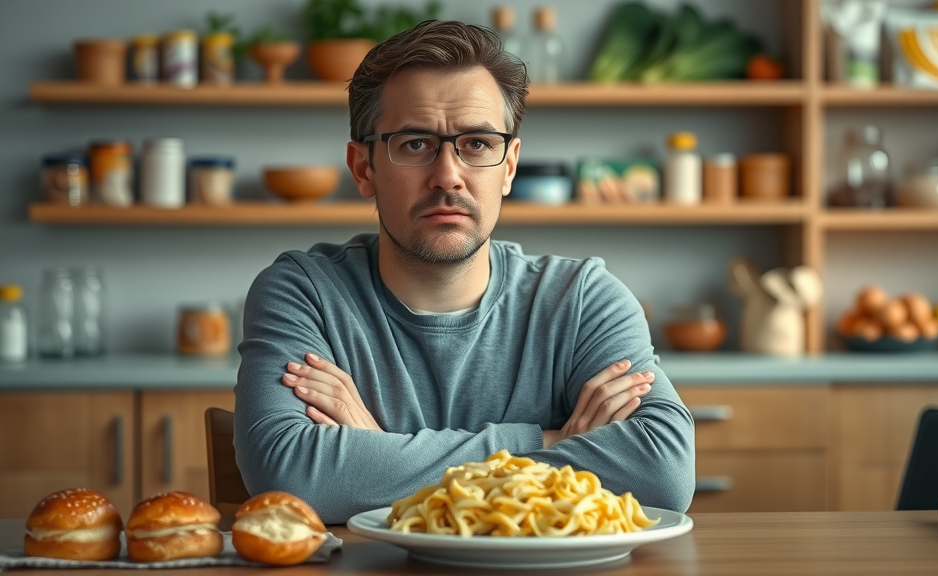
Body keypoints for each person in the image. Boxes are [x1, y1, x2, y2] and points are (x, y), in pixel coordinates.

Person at [235, 19, 695, 524]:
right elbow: (289, 476)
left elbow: (662, 470)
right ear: (364, 167)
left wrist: (379, 451)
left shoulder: (583, 299)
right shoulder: (303, 294)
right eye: (414, 143)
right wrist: (546, 443)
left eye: (476, 143)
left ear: (510, 165)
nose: (448, 175)